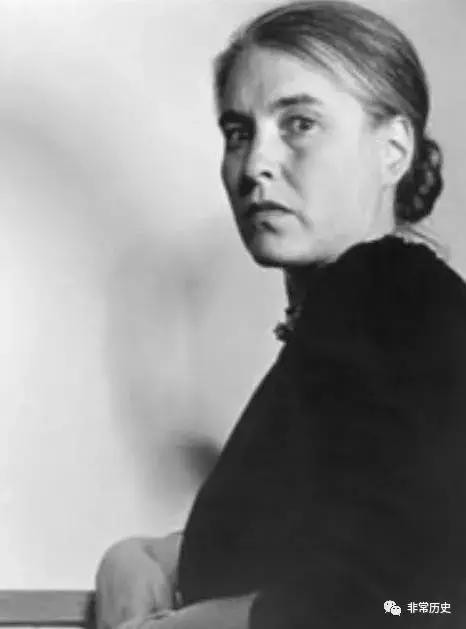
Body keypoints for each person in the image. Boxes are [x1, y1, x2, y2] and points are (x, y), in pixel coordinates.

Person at [95, 1, 466, 627]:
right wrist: (142, 556)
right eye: (239, 133)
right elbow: (316, 541)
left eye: (299, 123)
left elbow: (429, 604)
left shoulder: (395, 297)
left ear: (394, 149)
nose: (255, 165)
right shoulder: (356, 315)